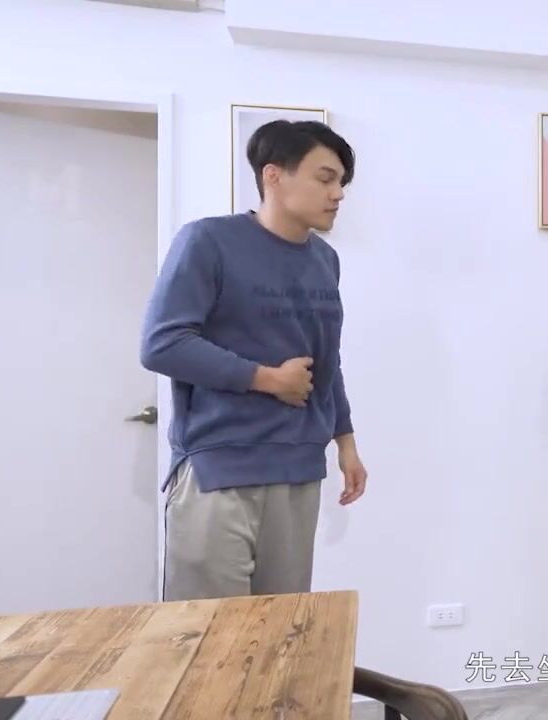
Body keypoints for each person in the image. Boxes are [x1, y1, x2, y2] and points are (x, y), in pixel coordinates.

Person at [141, 119, 368, 602]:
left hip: (298, 470)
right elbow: (163, 342)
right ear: (274, 175)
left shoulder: (325, 261)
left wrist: (345, 442)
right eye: (325, 178)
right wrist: (267, 379)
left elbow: (327, 360)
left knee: (280, 631)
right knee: (209, 634)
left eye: (342, 183)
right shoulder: (208, 241)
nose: (338, 194)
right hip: (219, 470)